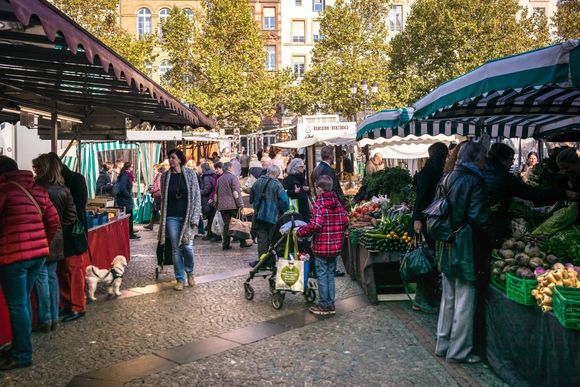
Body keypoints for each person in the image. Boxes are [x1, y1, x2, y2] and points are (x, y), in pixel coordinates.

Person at [0, 156, 59, 370]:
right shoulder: (36, 189)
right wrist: (42, 242)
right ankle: (18, 347)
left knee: (17, 305)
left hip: (14, 257)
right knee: (22, 302)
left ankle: (23, 354)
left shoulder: (5, 190)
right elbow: (54, 220)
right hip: (38, 255)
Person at [434, 142, 490, 364]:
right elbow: (478, 217)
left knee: (448, 298)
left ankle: (443, 344)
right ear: (476, 159)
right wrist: (492, 238)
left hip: (446, 243)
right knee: (465, 300)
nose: (485, 162)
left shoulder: (446, 177)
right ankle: (459, 351)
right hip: (465, 246)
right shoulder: (475, 180)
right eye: (483, 158)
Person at [32, 154, 77, 333]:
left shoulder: (37, 188)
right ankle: (54, 317)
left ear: (42, 168)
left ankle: (45, 318)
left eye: (36, 168)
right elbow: (71, 216)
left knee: (42, 278)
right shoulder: (64, 189)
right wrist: (58, 228)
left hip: (40, 238)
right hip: (57, 241)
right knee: (51, 277)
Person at [296, 175, 348, 316]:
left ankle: (324, 305)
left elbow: (316, 224)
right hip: (336, 246)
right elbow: (345, 220)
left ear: (319, 189)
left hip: (322, 246)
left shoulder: (320, 204)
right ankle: (330, 303)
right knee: (330, 275)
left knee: (322, 275)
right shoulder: (337, 202)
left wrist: (300, 231)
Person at [48, 152, 88, 323]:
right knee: (62, 269)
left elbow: (79, 206)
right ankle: (67, 302)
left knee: (73, 268)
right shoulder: (58, 182)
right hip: (62, 232)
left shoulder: (74, 180)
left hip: (72, 231)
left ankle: (78, 306)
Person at [412, 142, 449, 314]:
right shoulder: (430, 171)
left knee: (432, 259)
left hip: (431, 220)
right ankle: (421, 299)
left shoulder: (433, 169)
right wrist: (417, 219)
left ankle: (426, 297)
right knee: (429, 260)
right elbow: (421, 196)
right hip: (429, 221)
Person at [157, 149, 201, 291]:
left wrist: (195, 218)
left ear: (180, 160)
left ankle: (190, 272)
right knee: (175, 248)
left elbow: (196, 197)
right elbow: (164, 198)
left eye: (173, 158)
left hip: (187, 216)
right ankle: (180, 279)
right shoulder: (165, 176)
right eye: (169, 158)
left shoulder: (190, 174)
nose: (171, 160)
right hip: (171, 216)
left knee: (187, 246)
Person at [250, 165, 290, 259]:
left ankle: (262, 260)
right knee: (274, 238)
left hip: (259, 215)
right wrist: (284, 210)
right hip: (273, 215)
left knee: (262, 239)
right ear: (275, 174)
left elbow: (251, 199)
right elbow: (284, 201)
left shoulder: (257, 182)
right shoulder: (277, 184)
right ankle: (272, 259)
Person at [216, 162, 249, 250]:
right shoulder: (233, 178)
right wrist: (240, 204)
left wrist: (217, 205)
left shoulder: (220, 179)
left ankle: (226, 244)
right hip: (233, 205)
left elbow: (217, 193)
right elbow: (236, 193)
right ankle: (242, 242)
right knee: (239, 222)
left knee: (227, 225)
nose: (233, 169)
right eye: (232, 167)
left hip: (222, 206)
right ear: (230, 168)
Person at [115, 162, 139, 240]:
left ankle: (130, 233)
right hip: (124, 200)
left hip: (125, 199)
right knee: (129, 217)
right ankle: (130, 234)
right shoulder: (125, 175)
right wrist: (128, 195)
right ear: (129, 168)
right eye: (132, 167)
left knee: (129, 217)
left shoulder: (126, 175)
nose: (132, 169)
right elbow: (122, 188)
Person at [283, 158, 311, 222]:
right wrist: (294, 192)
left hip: (304, 207)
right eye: (301, 166)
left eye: (304, 166)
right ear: (295, 167)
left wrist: (307, 189)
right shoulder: (288, 179)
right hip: (294, 207)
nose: (303, 168)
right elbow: (284, 192)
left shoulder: (302, 177)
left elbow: (305, 192)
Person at [144, 164, 165, 231]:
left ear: (157, 169)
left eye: (154, 169)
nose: (153, 171)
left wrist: (151, 190)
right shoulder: (158, 175)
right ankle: (151, 224)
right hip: (157, 195)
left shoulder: (159, 176)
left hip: (158, 195)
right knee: (154, 210)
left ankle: (163, 225)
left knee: (159, 210)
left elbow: (159, 187)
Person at [206, 162, 223, 242]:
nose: (215, 170)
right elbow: (214, 189)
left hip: (222, 201)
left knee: (220, 219)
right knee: (215, 218)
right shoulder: (216, 177)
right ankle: (216, 235)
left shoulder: (223, 177)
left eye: (217, 169)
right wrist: (211, 197)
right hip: (216, 201)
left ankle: (219, 235)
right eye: (215, 169)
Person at [199, 163, 216, 238]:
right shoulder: (212, 175)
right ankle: (210, 234)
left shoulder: (206, 177)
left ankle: (210, 234)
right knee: (211, 218)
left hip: (207, 200)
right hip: (210, 199)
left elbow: (207, 189)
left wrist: (199, 191)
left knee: (209, 218)